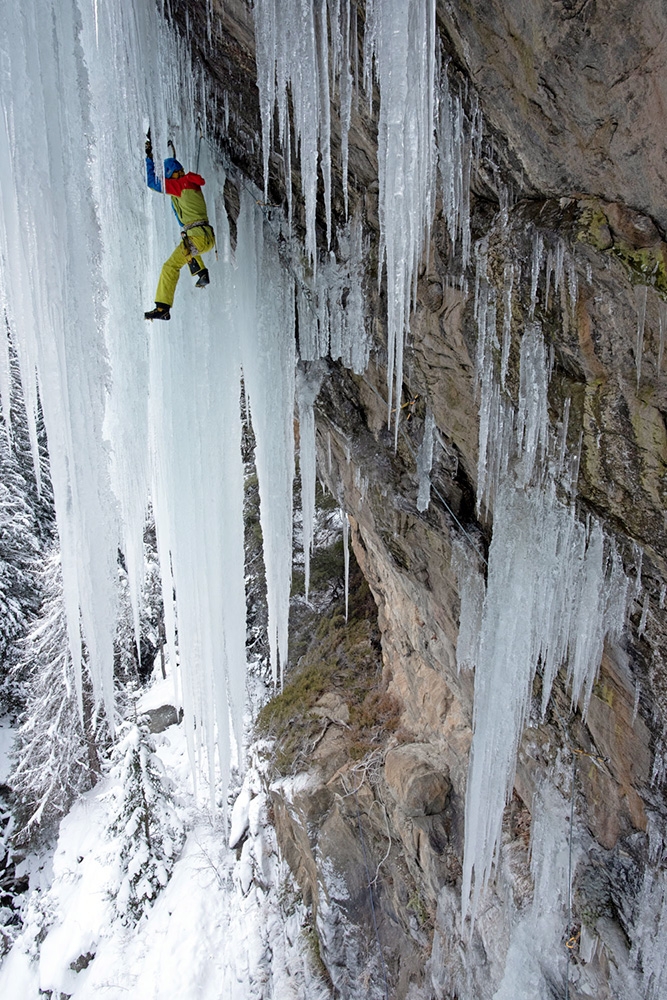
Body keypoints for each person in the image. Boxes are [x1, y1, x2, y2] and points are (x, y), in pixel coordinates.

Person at [144, 131, 215, 321]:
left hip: (198, 239)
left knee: (169, 267)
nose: (169, 182)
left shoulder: (180, 184)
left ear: (173, 175)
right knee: (186, 244)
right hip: (205, 237)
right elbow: (180, 216)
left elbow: (152, 182)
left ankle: (162, 307)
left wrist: (148, 157)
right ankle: (201, 271)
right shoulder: (190, 185)